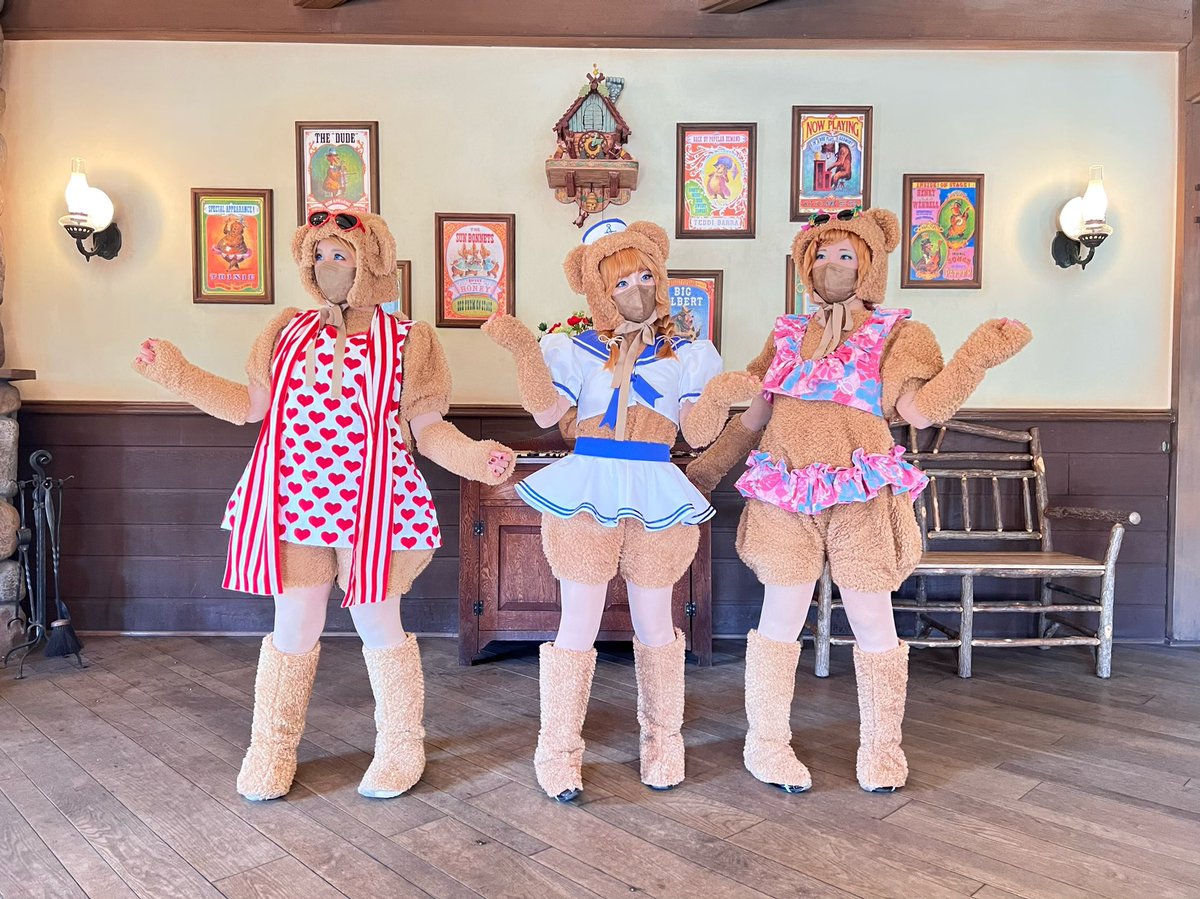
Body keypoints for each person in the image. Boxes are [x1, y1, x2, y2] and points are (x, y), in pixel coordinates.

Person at [134, 210, 514, 801]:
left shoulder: (410, 339)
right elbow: (250, 406)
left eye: (341, 255)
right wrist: (177, 374)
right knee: (294, 623)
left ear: (371, 263)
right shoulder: (285, 331)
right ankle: (271, 748)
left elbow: (429, 427)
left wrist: (475, 457)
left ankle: (401, 746)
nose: (327, 265)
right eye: (318, 255)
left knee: (377, 622)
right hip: (293, 499)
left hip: (375, 503)